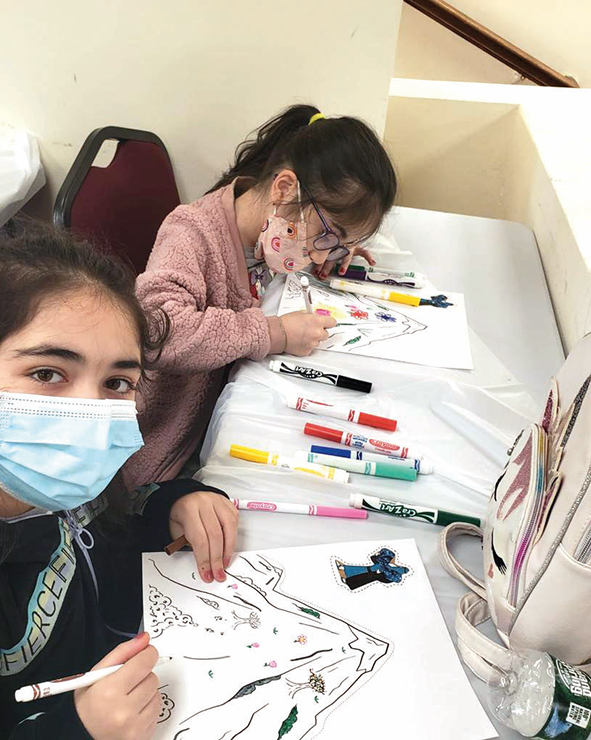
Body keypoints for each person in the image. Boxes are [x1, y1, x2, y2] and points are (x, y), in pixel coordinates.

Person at [0, 222, 238, 739]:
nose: (89, 412)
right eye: (47, 373)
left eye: (116, 382)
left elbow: (105, 530)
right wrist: (76, 728)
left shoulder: (50, 478)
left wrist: (172, 504)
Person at [124, 104, 397, 489]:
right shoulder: (192, 233)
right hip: (161, 455)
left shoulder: (278, 226)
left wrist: (337, 250)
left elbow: (292, 251)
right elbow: (159, 332)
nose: (320, 256)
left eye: (336, 243)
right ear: (283, 188)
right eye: (328, 234)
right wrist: (274, 333)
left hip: (217, 416)